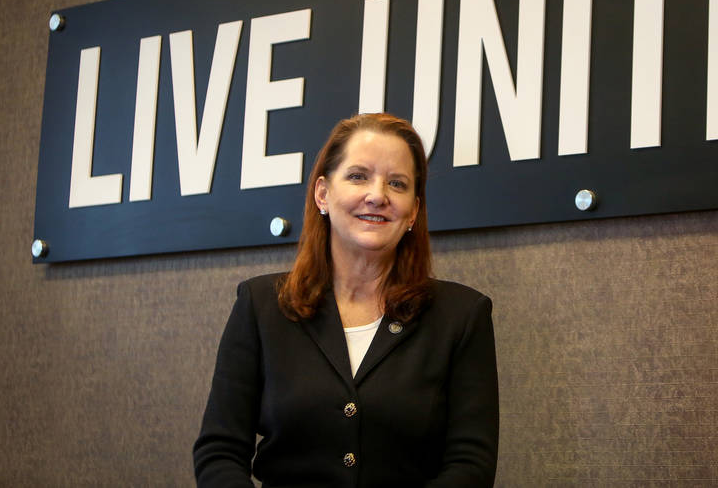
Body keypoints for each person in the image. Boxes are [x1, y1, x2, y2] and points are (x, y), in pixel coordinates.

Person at [193, 113, 499, 487]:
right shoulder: (261, 304)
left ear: (413, 211)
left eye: (397, 183)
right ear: (323, 193)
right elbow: (219, 452)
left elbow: (471, 464)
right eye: (358, 176)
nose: (377, 195)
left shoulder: (462, 315)